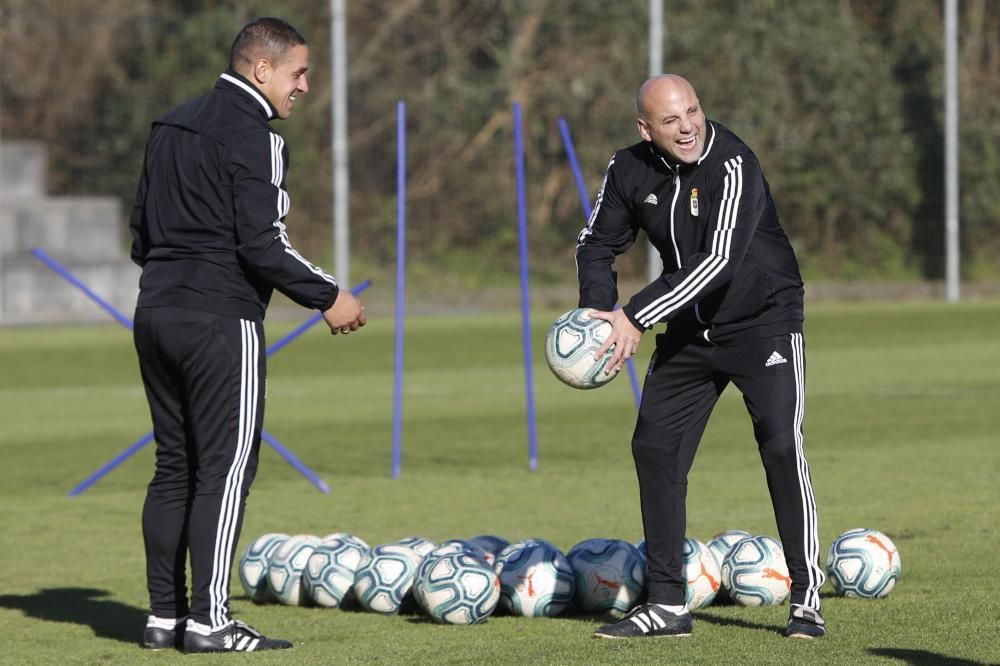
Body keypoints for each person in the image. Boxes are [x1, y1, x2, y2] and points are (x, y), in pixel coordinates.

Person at [129, 17, 366, 653]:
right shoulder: (254, 136)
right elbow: (264, 246)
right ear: (261, 70)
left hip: (153, 312)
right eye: (299, 73)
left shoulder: (168, 125)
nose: (306, 86)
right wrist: (329, 295)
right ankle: (210, 622)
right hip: (218, 320)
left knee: (174, 463)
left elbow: (140, 234)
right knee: (226, 469)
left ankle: (164, 618)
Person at [578, 75, 826, 640]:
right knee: (654, 447)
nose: (688, 126)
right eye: (671, 120)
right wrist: (598, 312)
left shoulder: (734, 161)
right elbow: (596, 243)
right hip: (690, 327)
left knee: (781, 444)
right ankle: (666, 603)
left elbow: (719, 261)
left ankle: (807, 597)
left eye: (692, 110)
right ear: (646, 129)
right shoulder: (627, 169)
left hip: (762, 320)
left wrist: (635, 314)